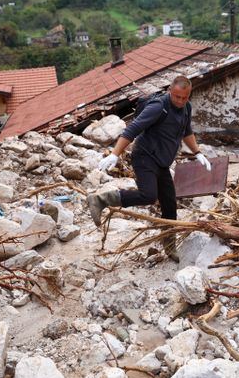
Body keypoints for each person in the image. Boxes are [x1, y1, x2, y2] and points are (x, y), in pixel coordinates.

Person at [87, 76, 211, 258]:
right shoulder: (158, 107)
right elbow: (132, 129)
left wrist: (198, 153)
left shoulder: (186, 108)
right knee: (149, 195)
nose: (180, 101)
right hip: (144, 157)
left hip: (161, 162)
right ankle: (101, 200)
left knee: (170, 206)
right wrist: (115, 153)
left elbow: (187, 131)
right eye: (177, 97)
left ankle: (169, 247)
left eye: (185, 98)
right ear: (170, 91)